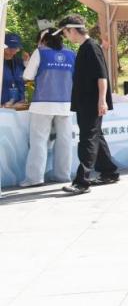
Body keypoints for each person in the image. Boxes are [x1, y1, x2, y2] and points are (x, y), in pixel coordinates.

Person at [59, 15, 117, 195]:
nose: (65, 36)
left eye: (65, 33)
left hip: (92, 103)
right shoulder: (85, 47)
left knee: (87, 140)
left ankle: (81, 182)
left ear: (71, 30)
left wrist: (102, 100)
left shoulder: (91, 47)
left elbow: (102, 76)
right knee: (95, 136)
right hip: (85, 102)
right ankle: (109, 172)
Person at [21, 29, 75, 187]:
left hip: (42, 104)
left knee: (38, 141)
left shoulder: (40, 52)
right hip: (66, 104)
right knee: (64, 141)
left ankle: (34, 178)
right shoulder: (71, 54)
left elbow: (27, 76)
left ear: (43, 40)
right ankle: (63, 176)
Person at [2, 33, 27, 107]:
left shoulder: (20, 62)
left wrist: (27, 64)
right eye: (10, 48)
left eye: (16, 48)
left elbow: (27, 80)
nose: (13, 51)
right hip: (3, 107)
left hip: (19, 106)